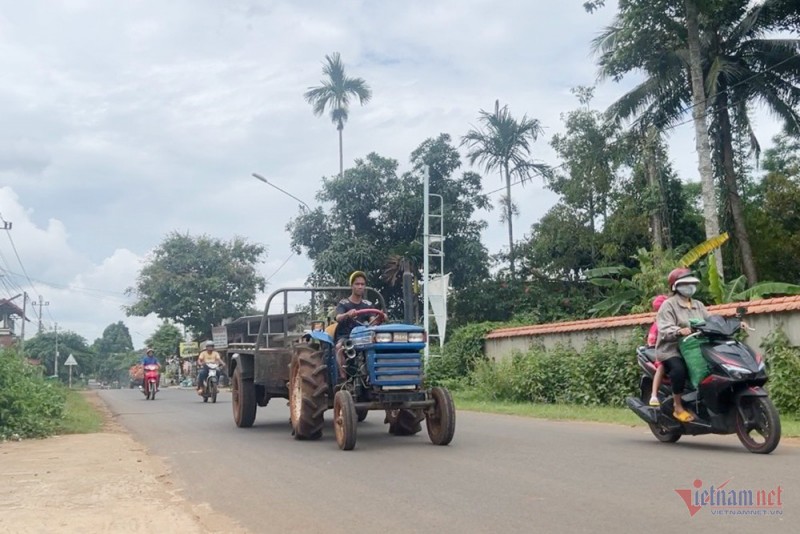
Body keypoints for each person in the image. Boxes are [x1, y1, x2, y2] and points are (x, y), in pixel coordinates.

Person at [655, 268, 710, 422]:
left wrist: (732, 324)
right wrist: (678, 331)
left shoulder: (698, 305)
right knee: (678, 370)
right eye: (685, 284)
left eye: (692, 283)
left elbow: (710, 321)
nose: (689, 287)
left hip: (695, 347)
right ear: (675, 286)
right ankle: (677, 407)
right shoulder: (668, 305)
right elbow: (664, 328)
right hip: (672, 349)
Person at [332, 271, 376, 379]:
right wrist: (347, 314)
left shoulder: (367, 304)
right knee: (339, 347)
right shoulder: (344, 303)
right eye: (357, 284)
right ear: (352, 285)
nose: (360, 286)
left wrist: (380, 318)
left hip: (363, 336)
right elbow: (338, 317)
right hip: (346, 336)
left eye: (362, 284)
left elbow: (372, 320)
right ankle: (343, 378)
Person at [647, 295, 668, 406]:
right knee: (662, 366)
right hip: (661, 351)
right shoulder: (657, 325)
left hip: (676, 349)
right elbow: (651, 341)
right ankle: (654, 395)